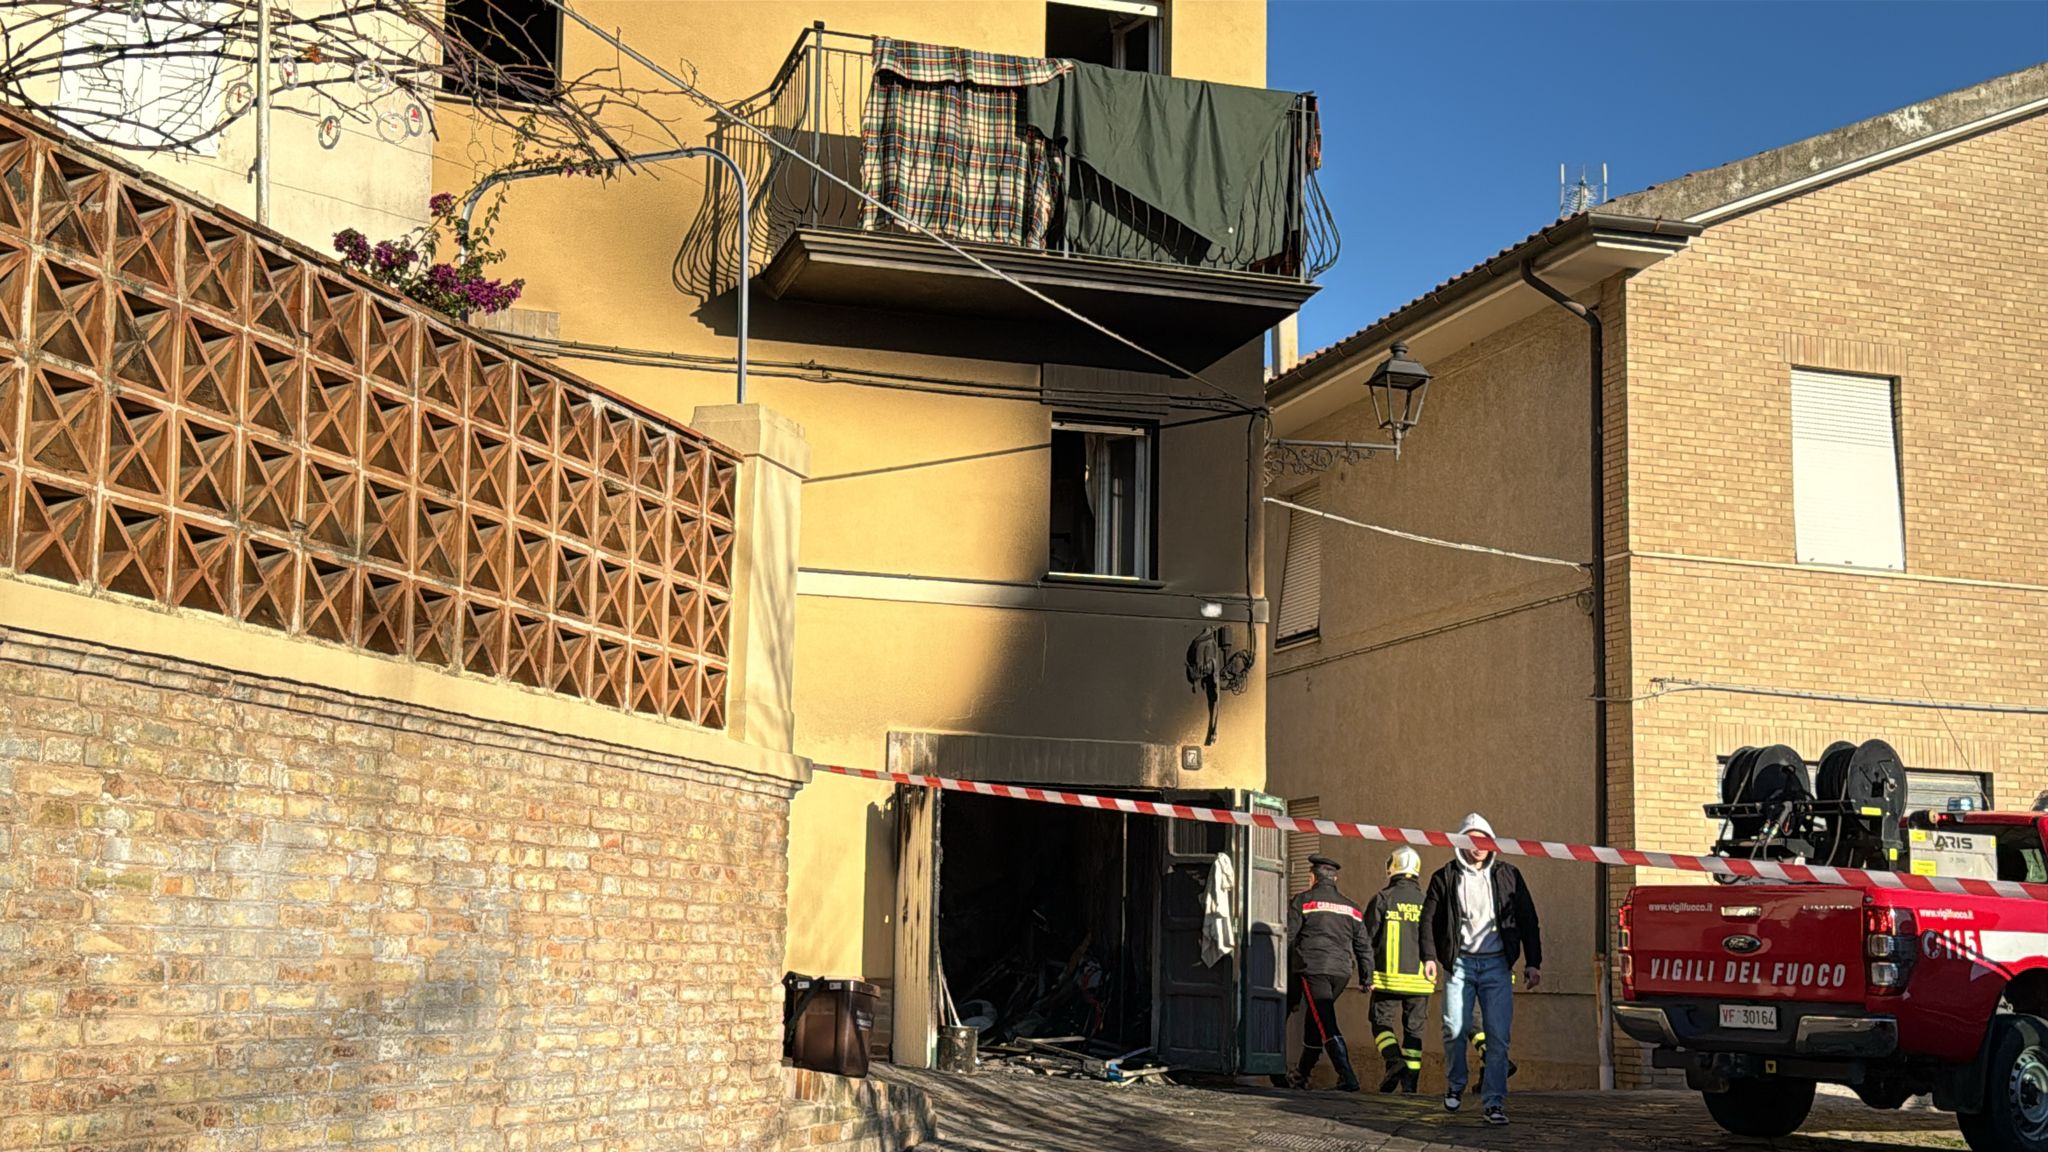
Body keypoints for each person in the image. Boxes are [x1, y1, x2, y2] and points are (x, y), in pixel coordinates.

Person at [1421, 812, 1542, 1127]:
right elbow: (1429, 919)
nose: (1478, 846)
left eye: (1484, 840)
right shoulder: (1445, 876)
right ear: (1460, 842)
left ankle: (1494, 1102)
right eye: (1471, 840)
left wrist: (1533, 962)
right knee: (1454, 1029)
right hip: (1459, 964)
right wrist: (1430, 957)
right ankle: (1456, 1083)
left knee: (1498, 1037)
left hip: (1497, 966)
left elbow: (1528, 919)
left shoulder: (1509, 875)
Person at [1278, 853, 1375, 1091]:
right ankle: (1302, 1075)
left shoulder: (1303, 901)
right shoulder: (1351, 908)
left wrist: (1277, 969)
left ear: (1312, 877)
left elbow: (1288, 937)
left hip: (1314, 969)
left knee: (1325, 1022)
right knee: (1317, 1019)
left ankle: (1347, 1076)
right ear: (1335, 879)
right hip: (1341, 972)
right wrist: (1367, 977)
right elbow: (1363, 945)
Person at [1366, 846, 1432, 1093]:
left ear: (1391, 867)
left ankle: (1393, 1061)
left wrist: (1366, 973)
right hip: (1420, 981)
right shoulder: (1427, 902)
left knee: (1380, 1021)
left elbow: (1367, 938)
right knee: (1414, 1032)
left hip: (1387, 979)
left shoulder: (1383, 899)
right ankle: (1410, 1087)